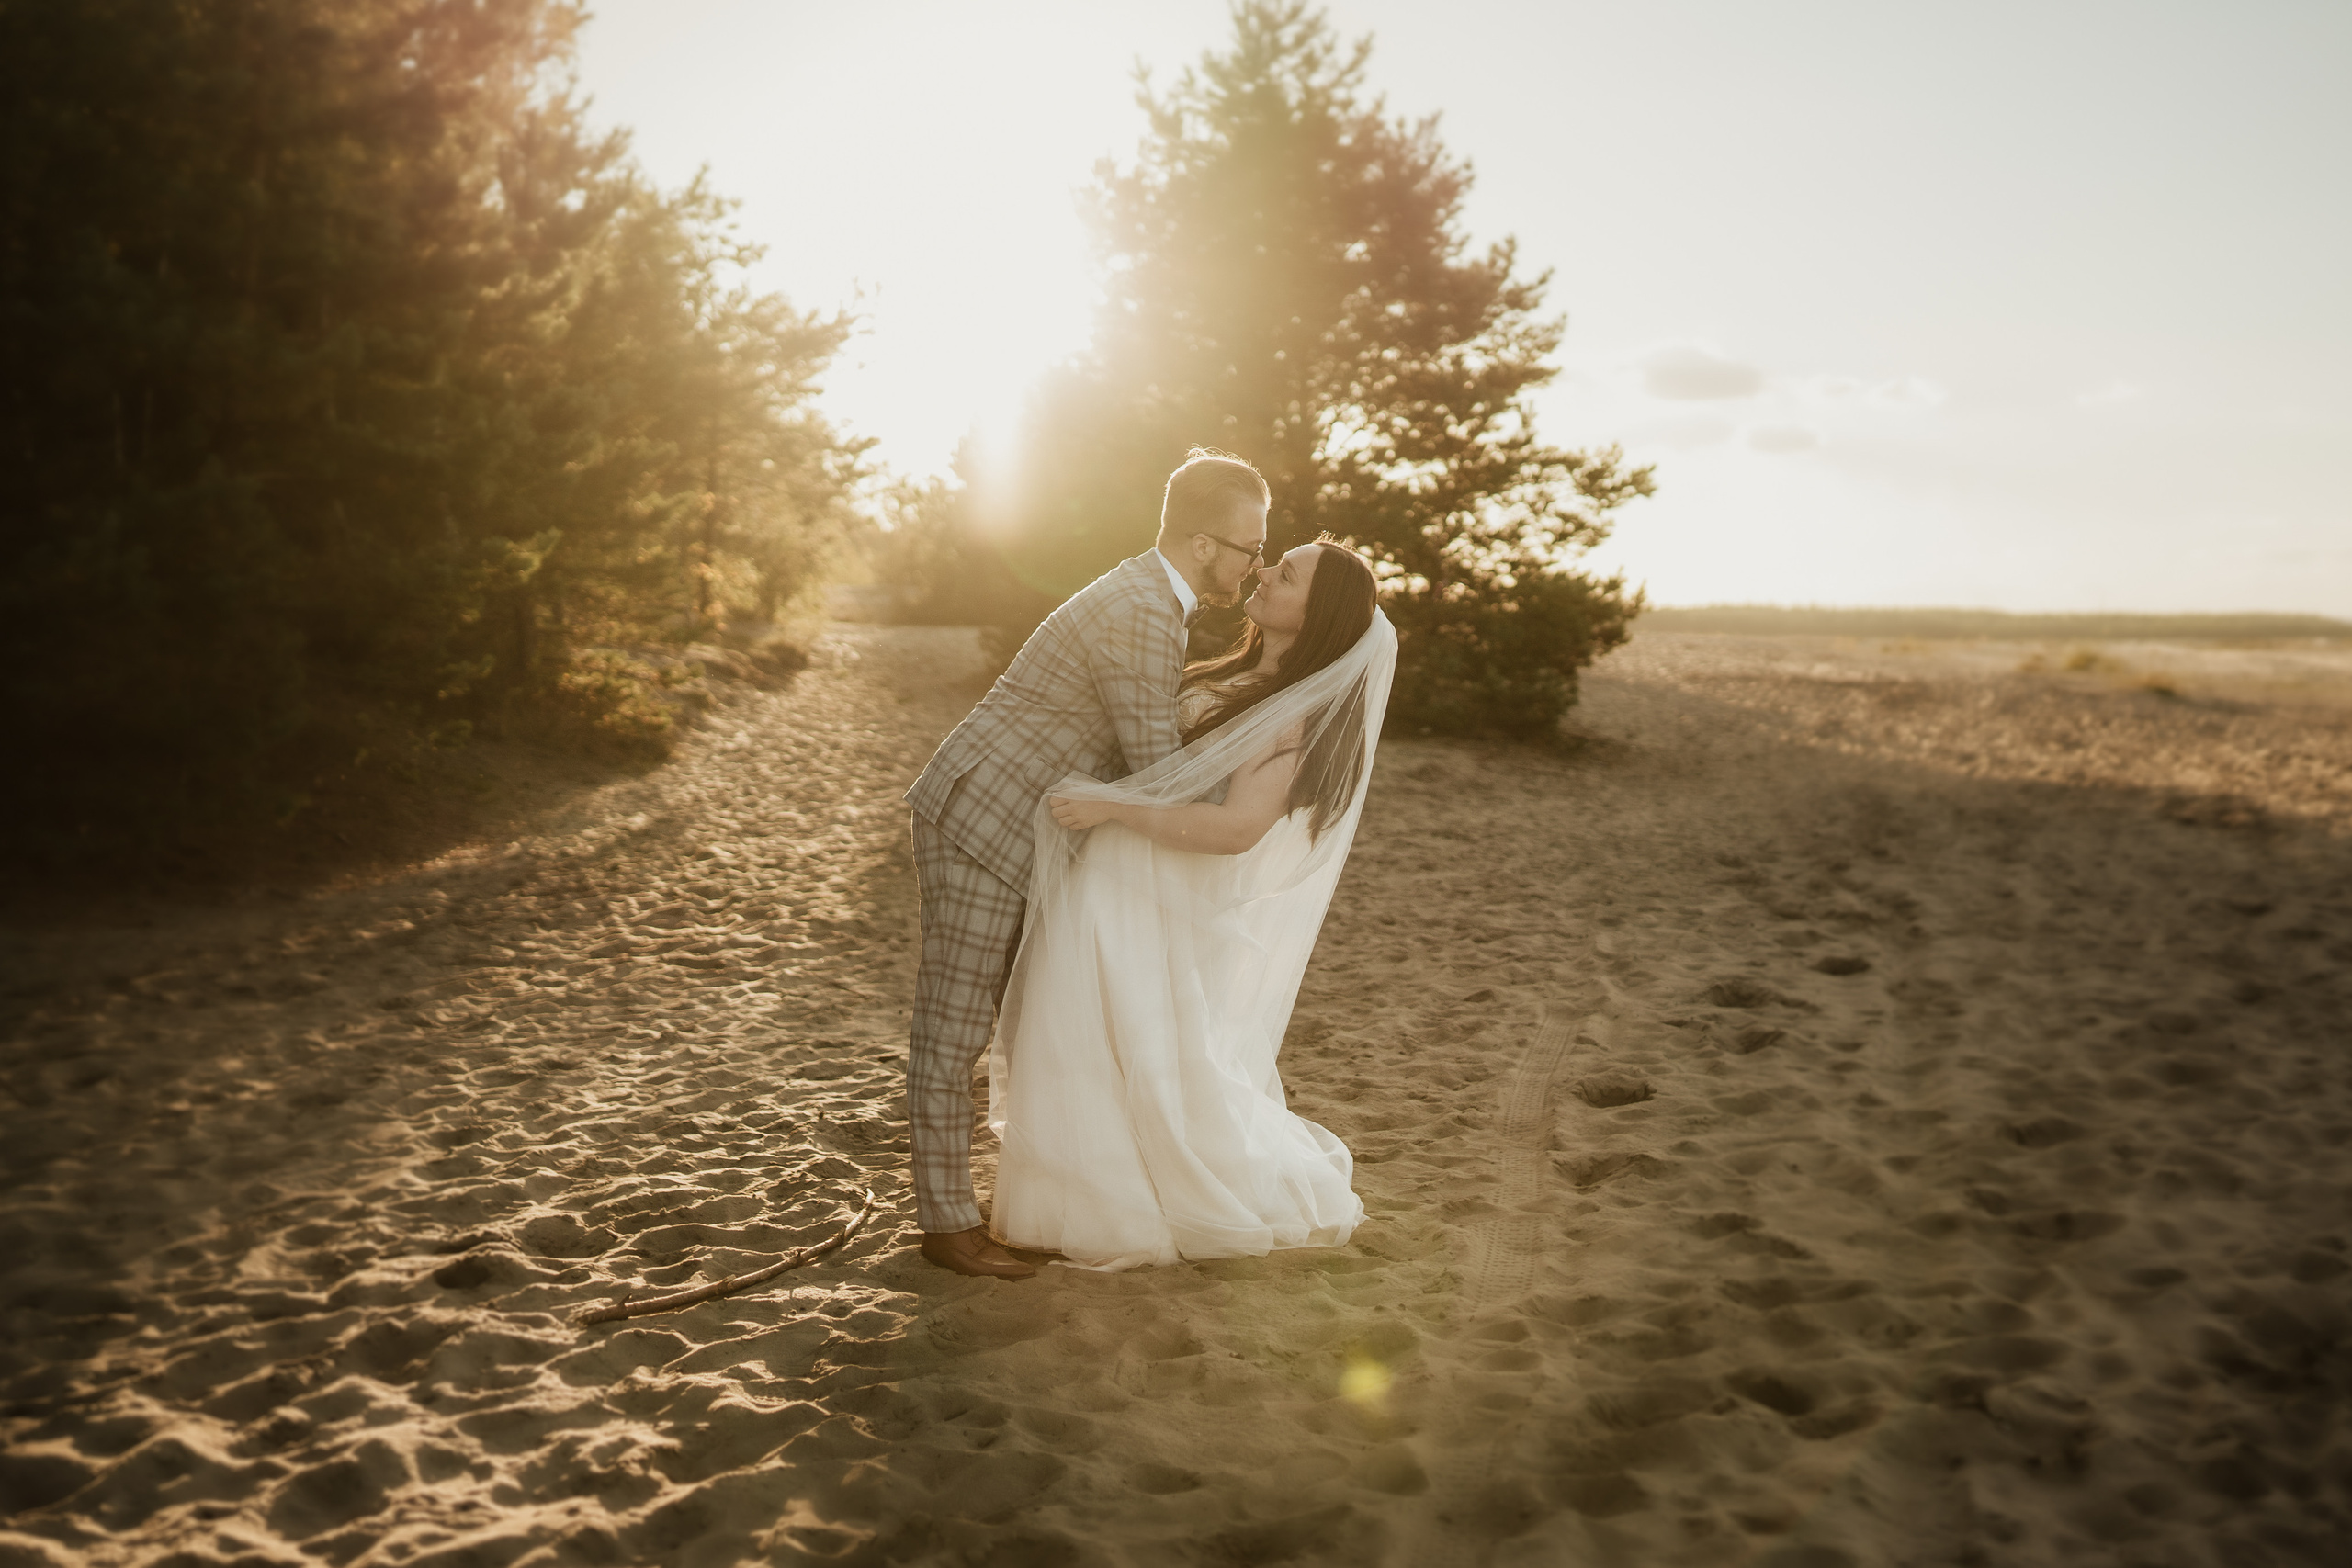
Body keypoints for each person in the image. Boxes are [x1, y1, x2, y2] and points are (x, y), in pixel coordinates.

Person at [902, 449, 1272, 1279]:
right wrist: (1254, 780)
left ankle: (965, 1204)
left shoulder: (1150, 596)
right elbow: (1152, 762)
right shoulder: (1142, 609)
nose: (1258, 568)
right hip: (985, 818)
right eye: (1251, 548)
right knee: (955, 1022)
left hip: (1008, 817)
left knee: (990, 1017)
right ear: (1206, 543)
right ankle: (946, 1226)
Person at [993, 536, 1393, 1269]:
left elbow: (1240, 830)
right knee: (1082, 1041)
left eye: (1288, 573)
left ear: (1319, 612)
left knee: (1127, 1045)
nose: (1265, 572)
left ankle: (1114, 1204)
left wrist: (1112, 808)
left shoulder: (1293, 717)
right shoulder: (1234, 673)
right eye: (1274, 561)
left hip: (1149, 894)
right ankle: (1076, 1189)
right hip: (1117, 879)